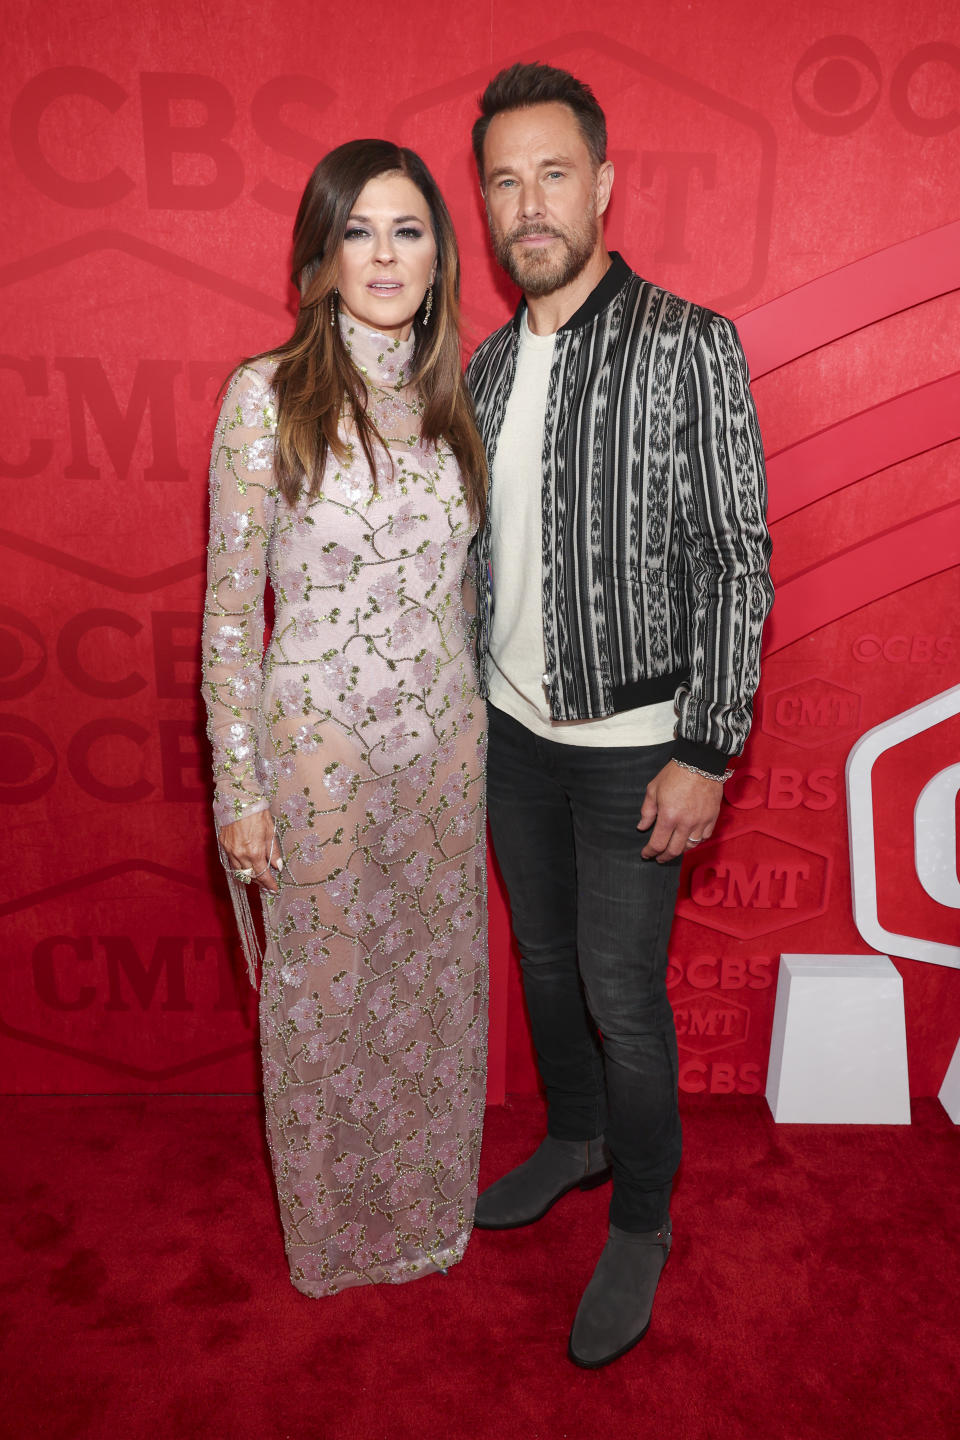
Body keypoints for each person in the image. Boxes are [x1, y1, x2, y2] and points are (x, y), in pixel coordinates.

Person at [466, 64, 773, 1367]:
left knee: (619, 993)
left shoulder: (691, 342)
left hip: (639, 744)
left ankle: (641, 1219)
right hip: (510, 736)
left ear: (600, 183)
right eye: (502, 179)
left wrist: (706, 748)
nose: (528, 203)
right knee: (541, 969)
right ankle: (578, 1141)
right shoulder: (478, 371)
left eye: (551, 172)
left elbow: (738, 556)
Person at [202, 139, 488, 1298]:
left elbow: (465, 596)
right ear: (319, 255)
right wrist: (240, 789)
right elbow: (230, 612)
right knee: (325, 997)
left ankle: (427, 1215)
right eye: (359, 229)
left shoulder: (455, 396)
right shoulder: (264, 396)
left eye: (408, 228)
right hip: (314, 758)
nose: (384, 252)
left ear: (438, 255)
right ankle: (333, 1234)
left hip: (444, 757)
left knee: (430, 987)